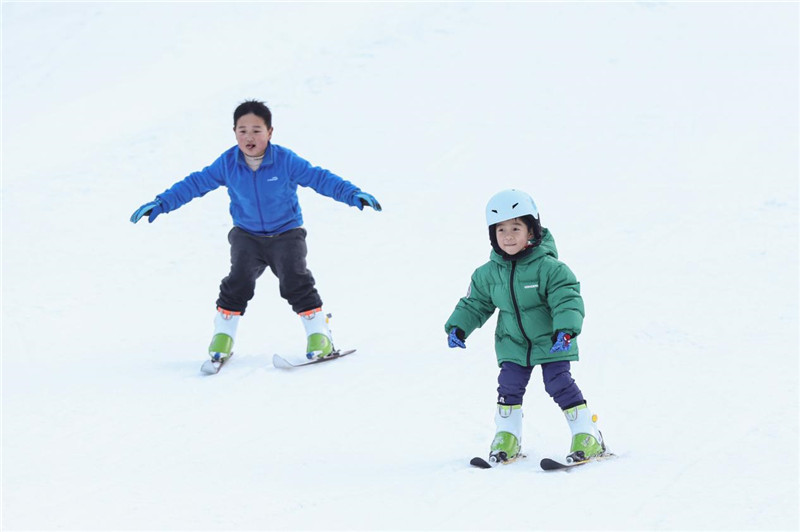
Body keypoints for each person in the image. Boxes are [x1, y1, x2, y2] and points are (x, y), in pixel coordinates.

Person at [130, 99, 381, 365]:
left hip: (286, 234)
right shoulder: (228, 163)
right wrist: (162, 202)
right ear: (235, 132)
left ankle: (319, 334)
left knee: (295, 281)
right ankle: (223, 336)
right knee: (238, 281)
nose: (249, 137)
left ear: (270, 132)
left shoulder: (285, 160)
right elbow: (196, 183)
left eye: (257, 130)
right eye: (242, 130)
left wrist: (352, 194)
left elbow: (319, 178)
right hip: (246, 235)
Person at [444, 189, 605, 464]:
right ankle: (507, 436)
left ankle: (586, 434)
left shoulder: (550, 268)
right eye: (501, 229)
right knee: (508, 387)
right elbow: (475, 303)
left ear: (532, 230)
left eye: (516, 228)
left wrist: (565, 330)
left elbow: (567, 300)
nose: (508, 236)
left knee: (558, 384)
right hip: (513, 343)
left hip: (553, 339)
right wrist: (458, 327)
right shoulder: (487, 273)